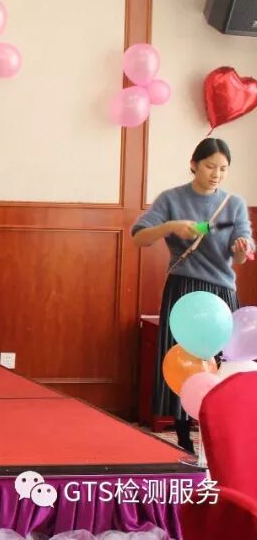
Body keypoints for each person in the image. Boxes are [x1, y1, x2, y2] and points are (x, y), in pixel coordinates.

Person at [132, 137, 253, 454]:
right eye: (210, 166)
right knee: (182, 359)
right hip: (184, 289)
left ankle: (219, 430)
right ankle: (183, 433)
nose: (216, 174)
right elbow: (139, 237)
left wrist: (241, 249)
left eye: (223, 169)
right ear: (194, 165)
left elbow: (241, 255)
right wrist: (170, 226)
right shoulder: (171, 199)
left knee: (223, 361)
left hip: (222, 292)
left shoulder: (233, 204)